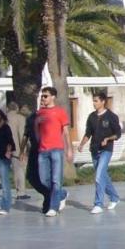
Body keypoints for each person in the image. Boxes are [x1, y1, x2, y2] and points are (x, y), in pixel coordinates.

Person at [78, 91, 122, 214]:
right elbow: (88, 133)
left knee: (98, 176)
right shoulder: (91, 116)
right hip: (94, 149)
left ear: (103, 101)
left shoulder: (112, 116)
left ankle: (98, 204)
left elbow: (118, 133)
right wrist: (82, 144)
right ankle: (114, 197)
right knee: (103, 176)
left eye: (96, 101)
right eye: (93, 101)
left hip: (106, 150)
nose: (94, 103)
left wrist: (108, 139)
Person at [34, 86, 71, 216]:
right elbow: (37, 132)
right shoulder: (40, 113)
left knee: (56, 180)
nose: (43, 98)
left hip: (57, 149)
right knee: (44, 180)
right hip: (43, 150)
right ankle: (62, 194)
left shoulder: (60, 112)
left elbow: (66, 132)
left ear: (53, 97)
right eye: (42, 96)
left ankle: (53, 208)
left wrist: (69, 150)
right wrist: (36, 123)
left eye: (45, 96)